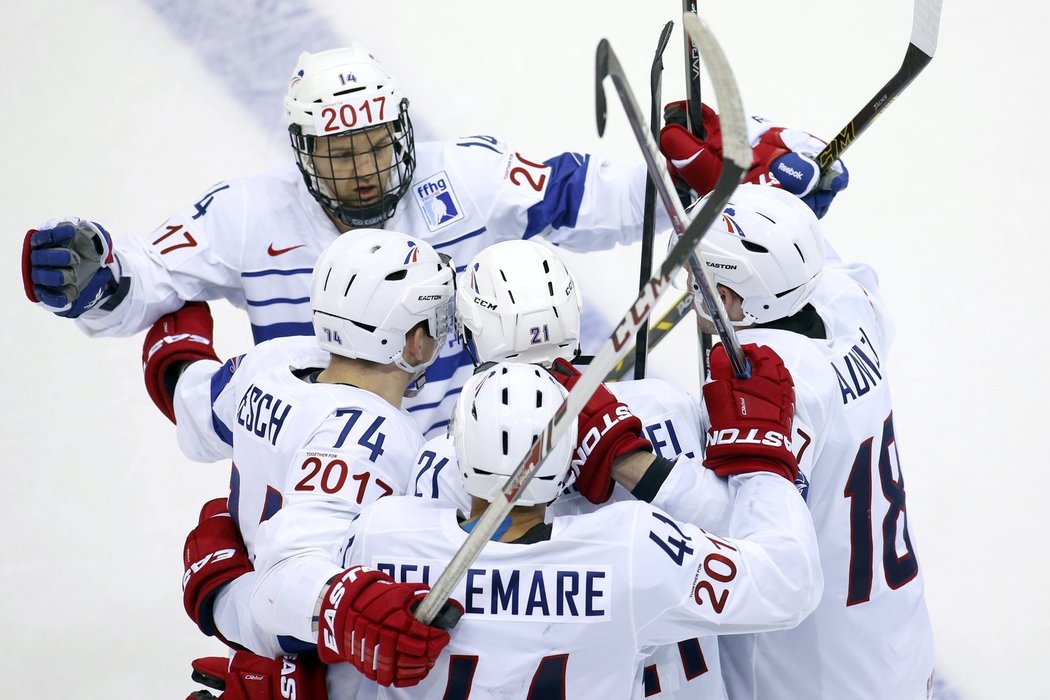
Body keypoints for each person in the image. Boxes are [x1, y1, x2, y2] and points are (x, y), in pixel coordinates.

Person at [21, 42, 848, 440]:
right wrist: (95, 275)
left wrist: (718, 167)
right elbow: (146, 277)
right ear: (303, 155)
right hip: (332, 472)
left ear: (404, 135)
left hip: (478, 457)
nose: (362, 168)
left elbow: (591, 189)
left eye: (376, 144)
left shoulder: (465, 178)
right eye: (339, 154)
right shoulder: (246, 215)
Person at [337, 352, 821, 698]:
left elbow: (288, 590)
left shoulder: (383, 536)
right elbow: (788, 583)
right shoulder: (631, 548)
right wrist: (761, 459)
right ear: (569, 453)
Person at [146, 230, 462, 696]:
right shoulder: (372, 438)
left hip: (256, 626)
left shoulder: (272, 363)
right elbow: (291, 578)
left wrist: (175, 341)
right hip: (325, 667)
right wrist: (348, 609)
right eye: (436, 322)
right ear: (414, 343)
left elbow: (196, 414)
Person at [683, 184, 934, 700]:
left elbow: (747, 539)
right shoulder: (849, 308)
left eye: (699, 276)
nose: (690, 287)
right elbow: (818, 262)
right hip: (899, 647)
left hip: (815, 678)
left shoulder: (768, 382)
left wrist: (634, 463)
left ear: (728, 298)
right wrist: (722, 184)